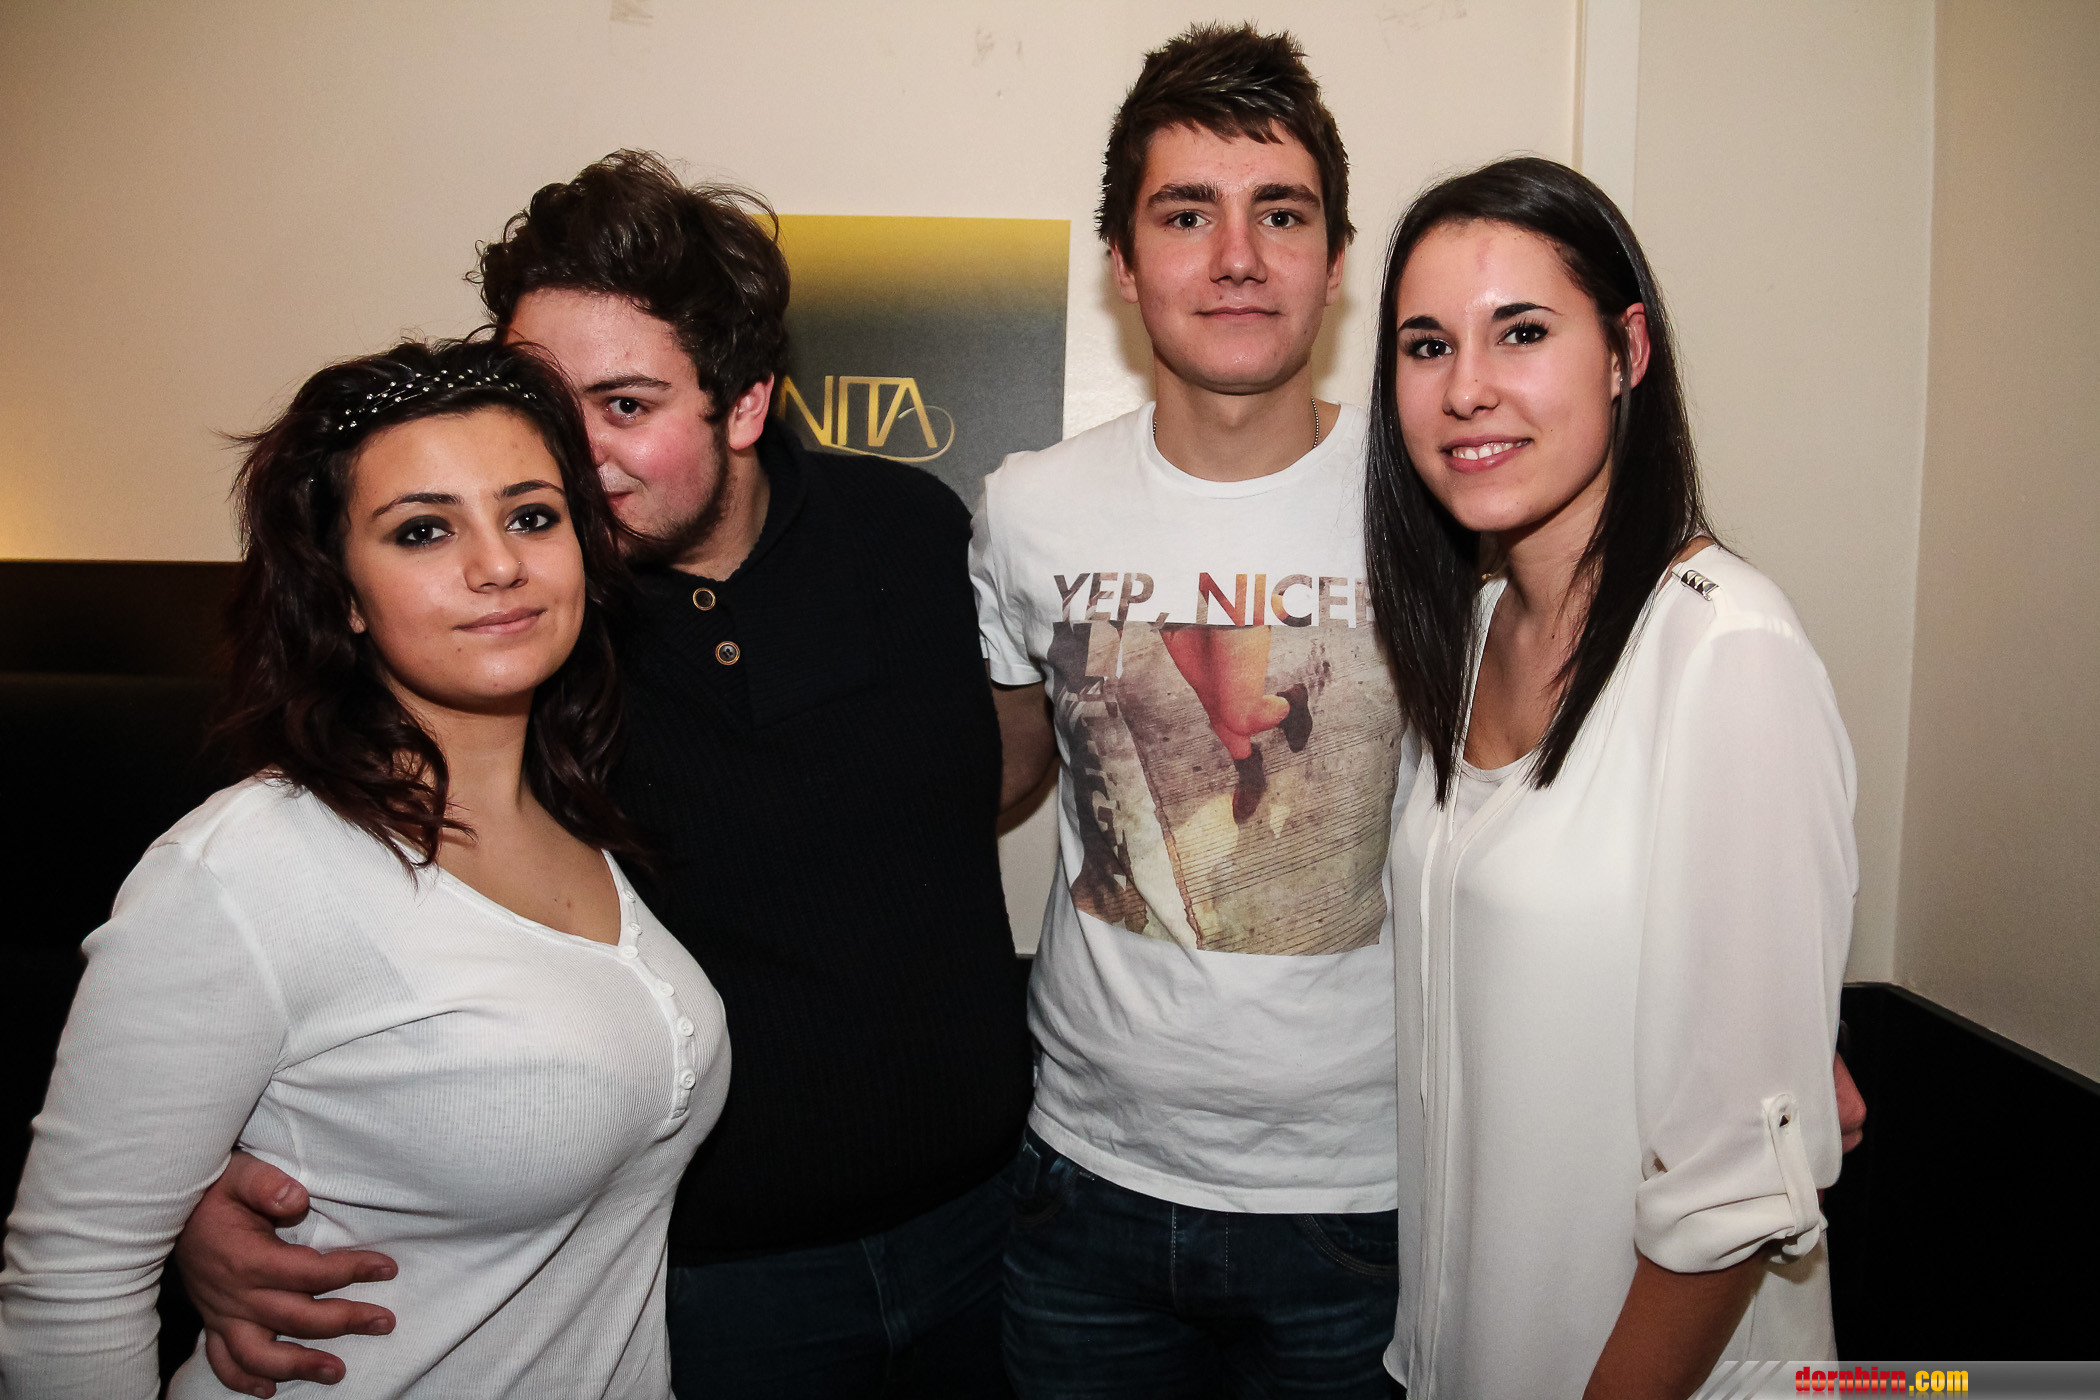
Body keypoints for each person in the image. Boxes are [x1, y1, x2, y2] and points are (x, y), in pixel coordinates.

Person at [170, 154, 1033, 1399]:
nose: (572, 455)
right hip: (699, 1284)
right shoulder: (507, 615)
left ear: (745, 403)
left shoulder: (913, 529)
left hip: (992, 1235)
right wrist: (193, 1188)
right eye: (544, 401)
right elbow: (292, 905)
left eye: (626, 404)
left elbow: (986, 772)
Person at [0, 338, 731, 1398]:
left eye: (532, 516)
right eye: (423, 529)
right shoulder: (244, 869)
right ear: (341, 590)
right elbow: (72, 1285)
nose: (498, 564)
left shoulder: (585, 816)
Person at [1365, 157, 1854, 1399]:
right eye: (1427, 345)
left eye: (1522, 331)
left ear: (1627, 351)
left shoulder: (1724, 645)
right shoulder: (1468, 638)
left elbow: (1734, 1185)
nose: (1466, 387)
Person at [975, 26, 1404, 1397]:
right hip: (1084, 1187)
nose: (1236, 256)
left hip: (1368, 1196)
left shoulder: (1435, 503)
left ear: (1336, 259)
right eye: (1184, 215)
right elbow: (998, 769)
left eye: (1281, 213)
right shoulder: (1030, 508)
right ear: (1122, 260)